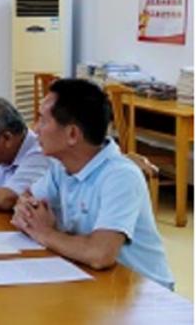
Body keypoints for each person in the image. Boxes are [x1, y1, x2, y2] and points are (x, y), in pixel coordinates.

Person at [12, 78, 174, 289]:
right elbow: (26, 198)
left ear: (72, 134)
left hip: (143, 293)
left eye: (43, 121)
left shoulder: (120, 176)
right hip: (92, 279)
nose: (35, 129)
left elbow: (100, 254)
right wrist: (25, 210)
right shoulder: (61, 168)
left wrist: (45, 233)